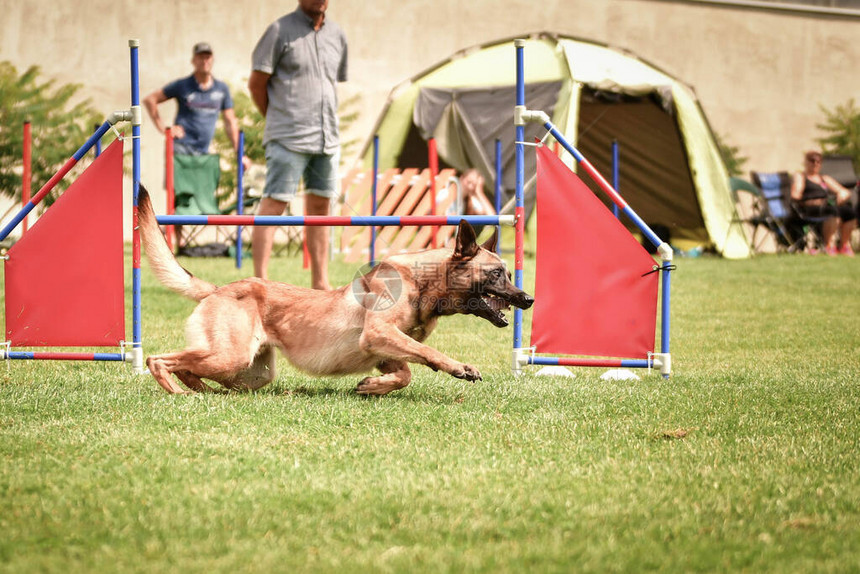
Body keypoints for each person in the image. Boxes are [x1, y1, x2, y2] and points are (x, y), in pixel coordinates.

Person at [248, 0, 348, 289]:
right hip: (287, 136)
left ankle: (321, 282)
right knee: (275, 201)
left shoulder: (338, 35)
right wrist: (277, 118)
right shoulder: (278, 30)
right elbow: (256, 83)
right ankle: (260, 283)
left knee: (321, 206)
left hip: (327, 136)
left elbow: (329, 83)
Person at [143, 42, 249, 247]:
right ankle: (176, 243)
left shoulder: (221, 89)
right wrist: (164, 128)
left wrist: (239, 153)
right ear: (194, 60)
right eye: (201, 56)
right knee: (180, 197)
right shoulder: (183, 86)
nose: (205, 60)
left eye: (208, 56)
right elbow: (150, 100)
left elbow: (230, 122)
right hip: (180, 148)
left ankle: (169, 234)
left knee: (200, 197)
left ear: (212, 59)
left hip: (203, 153)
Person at [790, 150, 856, 256]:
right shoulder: (801, 177)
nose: (815, 163)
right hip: (809, 208)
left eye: (818, 161)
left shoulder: (824, 178)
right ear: (806, 162)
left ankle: (844, 245)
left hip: (825, 206)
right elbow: (796, 195)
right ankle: (829, 245)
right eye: (812, 160)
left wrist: (842, 195)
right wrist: (810, 201)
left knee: (849, 212)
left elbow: (844, 191)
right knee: (833, 211)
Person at [458, 168, 497, 238]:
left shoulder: (472, 200)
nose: (469, 187)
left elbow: (492, 218)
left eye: (474, 185)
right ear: (461, 178)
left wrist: (479, 192)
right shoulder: (449, 190)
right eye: (468, 182)